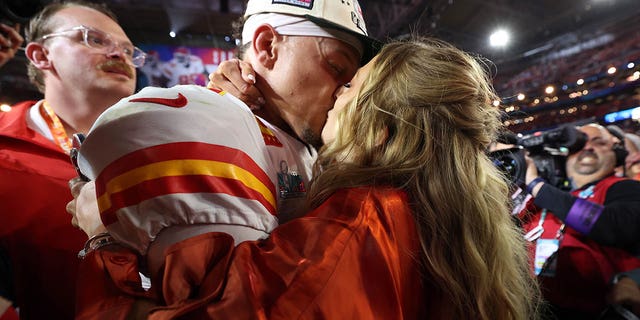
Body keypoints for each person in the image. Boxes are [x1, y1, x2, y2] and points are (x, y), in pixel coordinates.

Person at [70, 37, 541, 319]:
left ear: (381, 130)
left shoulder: (360, 219)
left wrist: (102, 243)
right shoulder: (442, 210)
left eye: (350, 82)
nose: (336, 93)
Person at [0, 1, 143, 319]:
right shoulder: (5, 148)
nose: (119, 54)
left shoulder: (159, 155)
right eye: (93, 39)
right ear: (41, 55)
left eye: (128, 50)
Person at [522, 123, 640, 319]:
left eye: (599, 142)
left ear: (616, 152)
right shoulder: (544, 199)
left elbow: (615, 226)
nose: (587, 147)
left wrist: (537, 186)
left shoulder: (625, 188)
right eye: (579, 143)